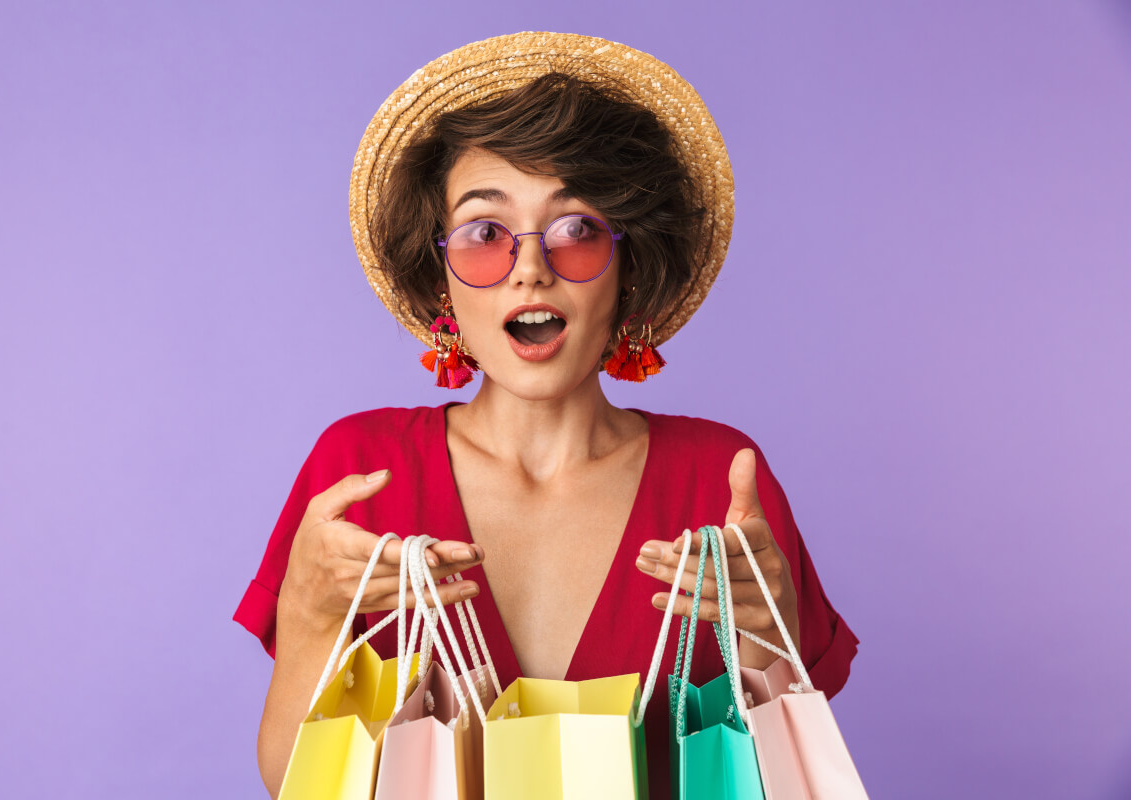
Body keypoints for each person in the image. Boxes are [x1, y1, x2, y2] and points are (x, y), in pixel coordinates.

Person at [235, 32, 859, 799]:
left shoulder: (719, 480)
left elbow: (789, 781)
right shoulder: (361, 470)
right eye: (486, 234)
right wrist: (307, 608)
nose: (530, 267)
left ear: (629, 272)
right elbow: (293, 784)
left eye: (576, 231)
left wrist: (767, 633)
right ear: (442, 283)